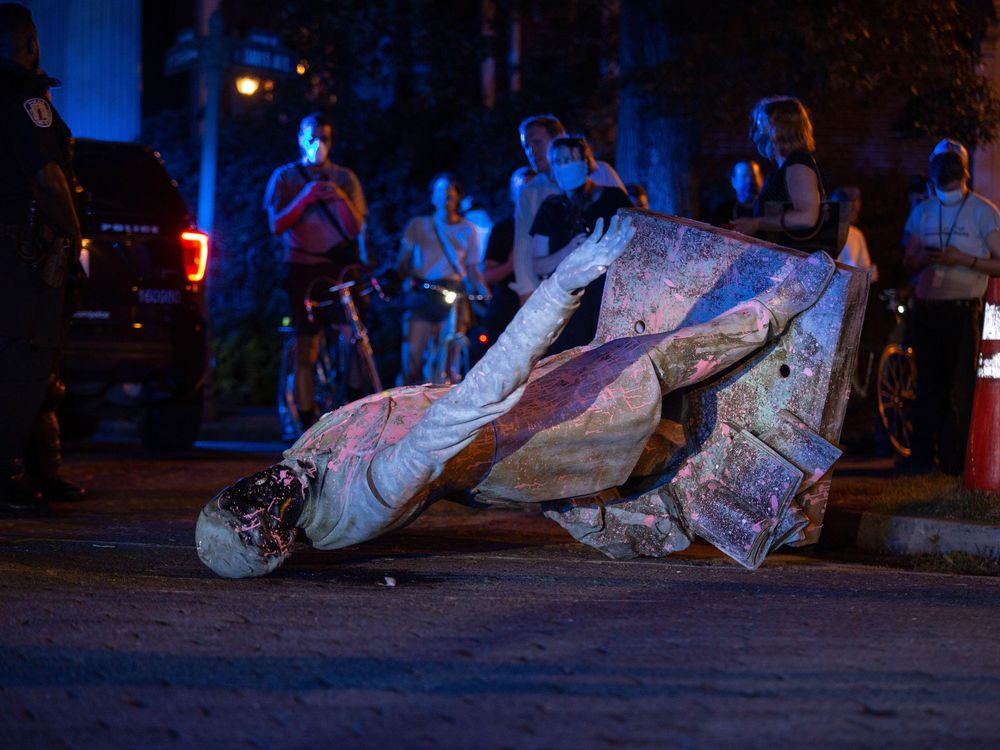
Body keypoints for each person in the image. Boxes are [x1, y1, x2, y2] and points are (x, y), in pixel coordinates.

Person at [194, 214, 839, 579]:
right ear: (277, 537)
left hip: (514, 430)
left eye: (242, 492)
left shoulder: (297, 470)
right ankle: (778, 308)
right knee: (652, 363)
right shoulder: (367, 492)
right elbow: (476, 398)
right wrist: (563, 285)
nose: (261, 488)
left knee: (636, 412)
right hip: (531, 434)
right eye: (257, 512)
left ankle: (629, 493)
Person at [0, 4, 81, 517]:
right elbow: (49, 179)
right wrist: (73, 238)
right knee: (28, 362)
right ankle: (10, 475)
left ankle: (36, 469)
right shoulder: (24, 96)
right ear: (28, 42)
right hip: (22, 254)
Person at [263, 112, 367, 430]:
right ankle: (306, 421)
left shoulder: (345, 177)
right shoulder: (285, 177)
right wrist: (305, 198)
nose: (318, 144)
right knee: (307, 344)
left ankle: (353, 410)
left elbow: (355, 227)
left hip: (339, 267)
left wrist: (339, 199)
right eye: (312, 137)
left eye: (324, 137)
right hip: (303, 268)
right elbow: (276, 224)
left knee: (354, 336)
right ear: (300, 138)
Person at [901, 142, 1000, 474]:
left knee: (960, 389)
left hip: (963, 310)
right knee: (928, 386)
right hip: (928, 309)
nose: (946, 175)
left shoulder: (983, 211)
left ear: (964, 171)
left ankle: (954, 463)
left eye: (951, 168)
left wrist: (964, 260)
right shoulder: (923, 211)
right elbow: (907, 261)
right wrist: (921, 260)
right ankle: (921, 461)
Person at [529, 135, 633, 353]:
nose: (563, 166)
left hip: (606, 301)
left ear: (586, 162)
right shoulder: (551, 208)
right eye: (558, 162)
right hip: (568, 306)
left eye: (569, 160)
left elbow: (633, 243)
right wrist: (568, 251)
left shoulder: (613, 198)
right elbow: (538, 265)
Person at [511, 114, 625, 299]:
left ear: (557, 140)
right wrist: (527, 292)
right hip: (561, 290)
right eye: (526, 146)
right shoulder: (531, 192)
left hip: (608, 286)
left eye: (537, 142)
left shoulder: (600, 173)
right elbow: (524, 245)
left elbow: (628, 220)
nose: (532, 151)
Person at [396, 173, 488, 385]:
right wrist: (404, 280)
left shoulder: (468, 229)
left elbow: (473, 269)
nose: (445, 195)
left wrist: (485, 295)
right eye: (440, 191)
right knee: (412, 361)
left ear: (457, 197)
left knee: (447, 363)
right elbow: (403, 262)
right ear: (432, 197)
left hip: (453, 294)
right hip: (423, 291)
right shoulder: (418, 225)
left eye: (450, 191)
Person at [731, 97, 823, 244]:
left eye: (762, 122)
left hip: (792, 263)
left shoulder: (798, 164)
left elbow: (807, 217)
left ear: (782, 127)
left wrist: (757, 223)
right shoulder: (784, 166)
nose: (757, 129)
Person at [471, 166, 535, 361]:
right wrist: (511, 263)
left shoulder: (551, 225)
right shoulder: (503, 230)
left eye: (532, 188)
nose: (528, 194)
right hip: (507, 309)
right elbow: (488, 275)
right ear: (513, 193)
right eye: (522, 189)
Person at [831, 186, 878, 282]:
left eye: (856, 209)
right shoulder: (827, 233)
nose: (855, 213)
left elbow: (865, 269)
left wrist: (869, 272)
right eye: (852, 209)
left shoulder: (857, 234)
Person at [710, 160, 763, 226]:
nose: (750, 181)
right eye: (744, 177)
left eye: (753, 176)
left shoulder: (769, 210)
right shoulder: (722, 212)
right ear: (734, 181)